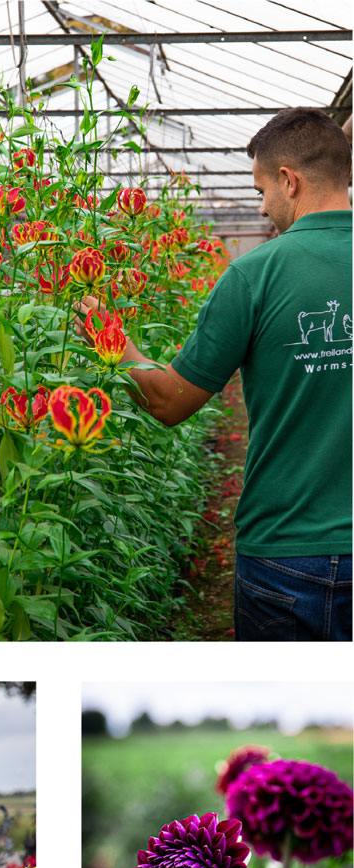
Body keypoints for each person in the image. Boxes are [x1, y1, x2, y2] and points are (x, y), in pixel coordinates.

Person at [80, 107, 351, 640]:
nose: (263, 205)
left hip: (287, 550)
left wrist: (110, 336)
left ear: (288, 181)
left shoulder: (255, 274)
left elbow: (168, 401)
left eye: (259, 191)